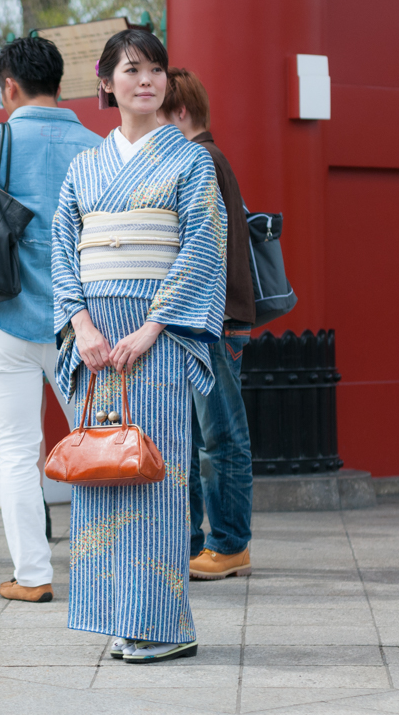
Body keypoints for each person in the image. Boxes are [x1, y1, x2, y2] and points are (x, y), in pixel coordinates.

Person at [52, 29, 226, 664]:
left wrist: (154, 327)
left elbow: (204, 249)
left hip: (154, 340)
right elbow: (63, 250)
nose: (146, 80)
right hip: (96, 342)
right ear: (107, 82)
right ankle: (117, 615)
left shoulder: (190, 161)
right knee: (101, 473)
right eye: (131, 69)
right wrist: (81, 324)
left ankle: (165, 622)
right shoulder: (83, 167)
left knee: (154, 472)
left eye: (156, 69)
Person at [0, 36, 99, 604]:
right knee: (94, 445)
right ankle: (101, 567)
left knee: (17, 452)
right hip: (79, 326)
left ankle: (32, 577)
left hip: (6, 319)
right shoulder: (96, 146)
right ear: (59, 83)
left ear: (8, 85)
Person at [157, 68, 256, 580]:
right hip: (207, 320)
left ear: (179, 113)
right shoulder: (207, 158)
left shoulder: (202, 158)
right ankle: (201, 540)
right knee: (203, 435)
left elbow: (203, 251)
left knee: (219, 436)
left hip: (211, 321)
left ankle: (229, 542)